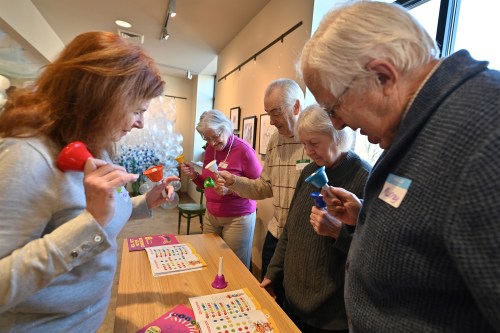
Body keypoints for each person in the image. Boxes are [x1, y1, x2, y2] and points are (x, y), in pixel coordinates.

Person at [299, 1, 500, 332]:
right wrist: (364, 217)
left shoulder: (485, 133)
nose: (338, 124)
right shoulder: (420, 126)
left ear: (383, 77)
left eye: (334, 108)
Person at [0, 31, 178, 332]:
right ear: (102, 99)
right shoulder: (27, 157)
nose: (140, 123)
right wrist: (89, 223)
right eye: (136, 110)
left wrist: (143, 202)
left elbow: (100, 209)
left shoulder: (96, 145)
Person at [260, 105, 371, 333]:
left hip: (329, 316)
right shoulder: (309, 172)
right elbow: (289, 231)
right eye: (304, 143)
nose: (308, 151)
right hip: (292, 301)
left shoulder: (365, 178)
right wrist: (272, 274)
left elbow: (372, 254)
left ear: (337, 136)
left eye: (314, 143)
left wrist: (338, 233)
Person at [216, 78, 307, 304]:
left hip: (303, 241)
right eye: (268, 113)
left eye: (276, 112)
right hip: (276, 235)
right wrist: (234, 182)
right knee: (270, 297)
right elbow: (264, 186)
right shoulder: (275, 141)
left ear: (296, 107)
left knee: (294, 306)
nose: (271, 121)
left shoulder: (315, 139)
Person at [179, 110, 262, 268]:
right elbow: (207, 183)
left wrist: (231, 190)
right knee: (209, 258)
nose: (211, 143)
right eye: (207, 138)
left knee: (234, 266)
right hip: (212, 215)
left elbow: (259, 186)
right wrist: (194, 175)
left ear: (226, 128)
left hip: (238, 217)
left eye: (215, 137)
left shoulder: (243, 150)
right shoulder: (211, 150)